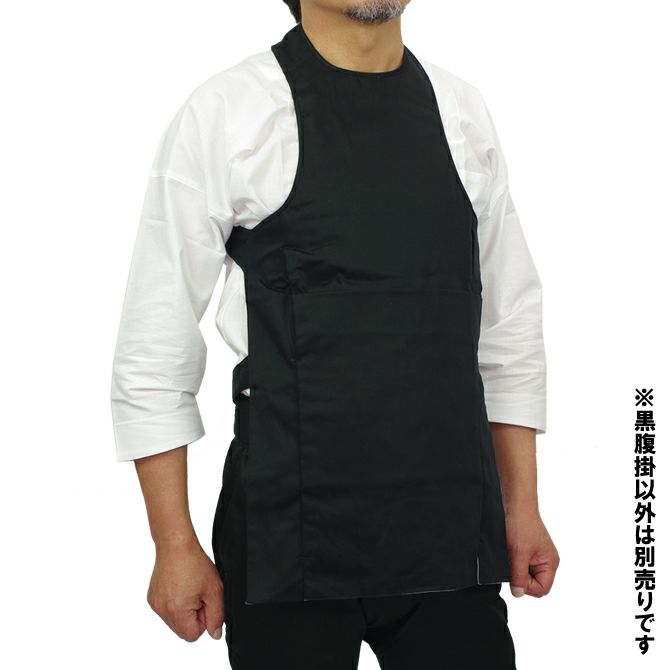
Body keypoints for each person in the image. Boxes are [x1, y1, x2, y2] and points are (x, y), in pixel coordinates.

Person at [110, 1, 559, 668]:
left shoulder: (462, 111)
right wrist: (173, 544)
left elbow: (509, 324)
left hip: (450, 531)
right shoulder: (230, 111)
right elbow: (155, 343)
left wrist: (522, 505)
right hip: (289, 537)